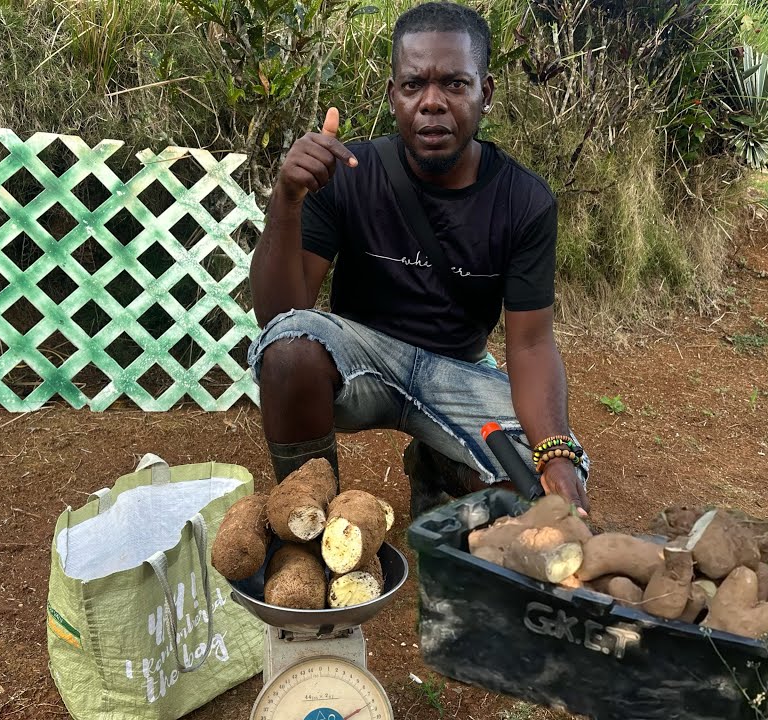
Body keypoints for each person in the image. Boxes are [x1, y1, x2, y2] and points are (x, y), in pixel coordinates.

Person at [246, 1, 591, 518]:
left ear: (485, 92)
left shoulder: (525, 200)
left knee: (542, 491)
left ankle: (435, 463)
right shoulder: (347, 174)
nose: (432, 102)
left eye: (455, 84)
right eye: (413, 86)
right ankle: (311, 523)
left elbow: (532, 344)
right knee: (290, 350)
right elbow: (282, 320)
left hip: (458, 369)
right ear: (393, 95)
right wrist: (286, 201)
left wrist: (556, 453)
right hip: (364, 360)